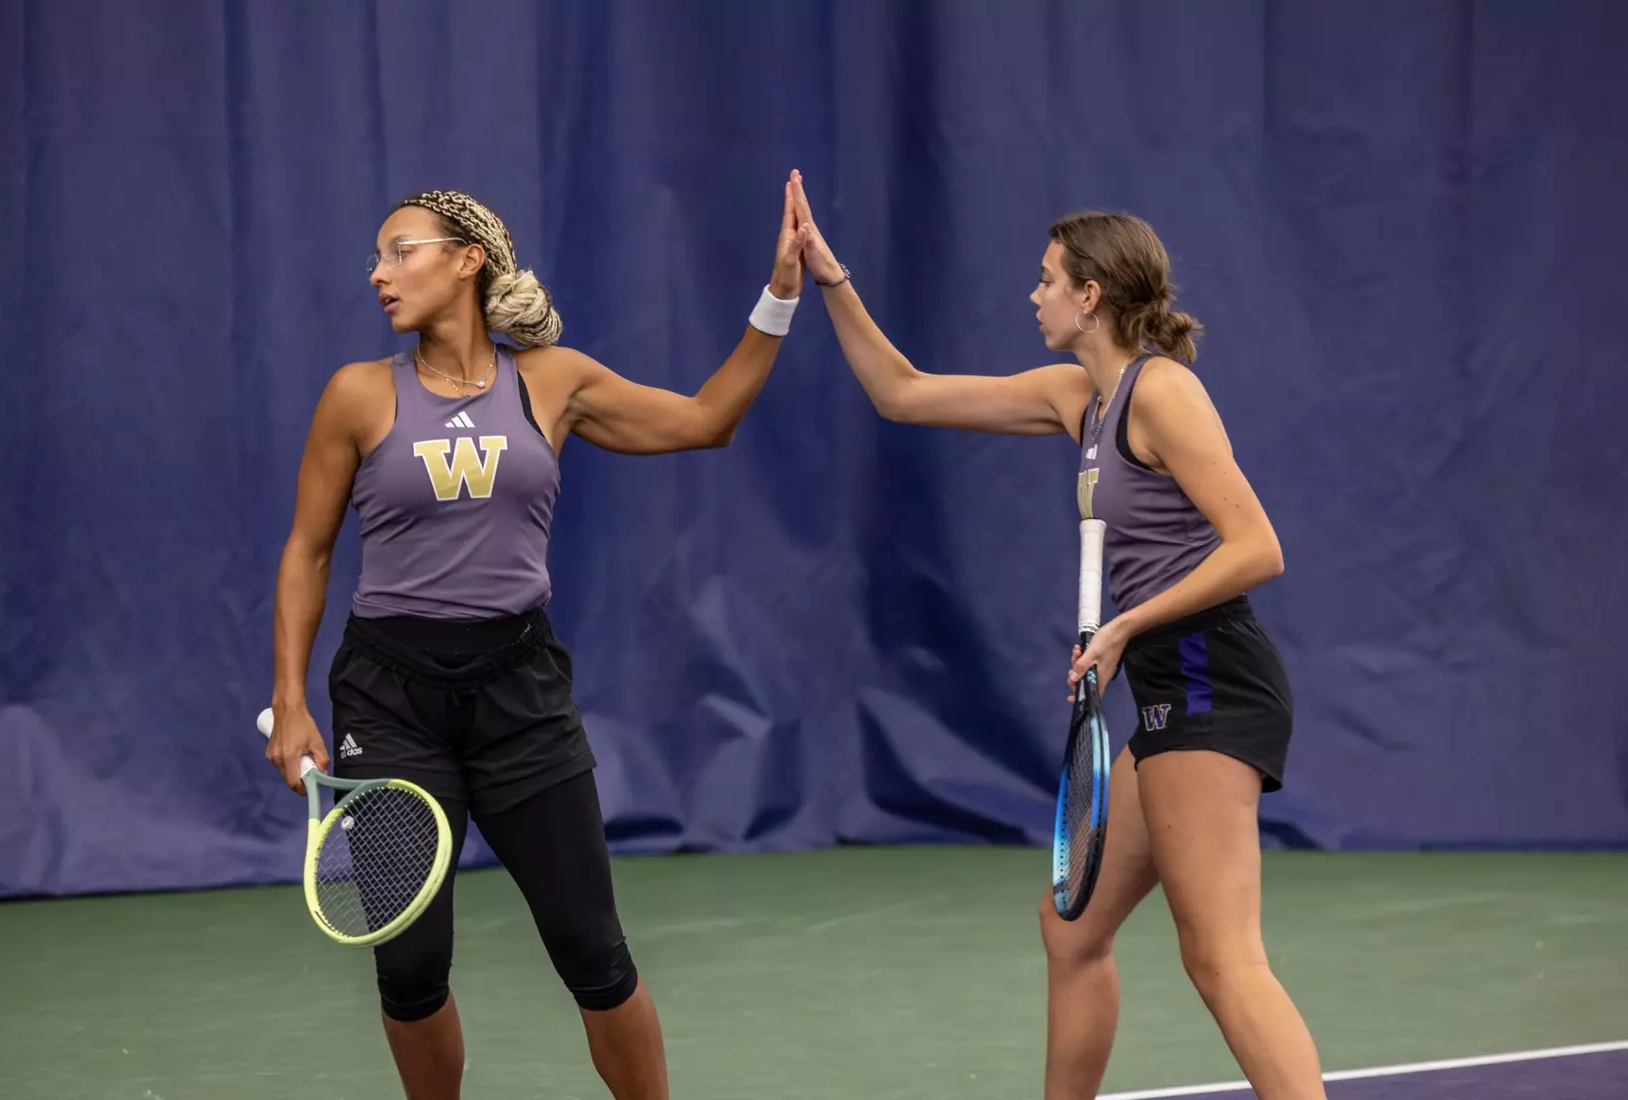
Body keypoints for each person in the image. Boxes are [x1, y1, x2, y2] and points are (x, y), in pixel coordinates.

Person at [787, 174, 1327, 1100]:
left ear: (1091, 295)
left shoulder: (1166, 397)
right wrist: (831, 279)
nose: (1031, 295)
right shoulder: (1075, 398)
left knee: (1222, 960)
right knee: (1072, 929)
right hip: (1164, 684)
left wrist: (1126, 625)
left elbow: (1258, 547)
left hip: (1207, 677)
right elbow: (902, 392)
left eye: (1045, 280)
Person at [264, 181, 806, 1100]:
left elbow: (708, 420)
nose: (379, 274)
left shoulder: (552, 380)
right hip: (388, 702)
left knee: (593, 951)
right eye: (377, 257)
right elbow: (307, 551)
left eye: (403, 251)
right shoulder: (357, 395)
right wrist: (289, 699)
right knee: (410, 966)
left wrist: (781, 292)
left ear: (468, 259)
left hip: (522, 698)